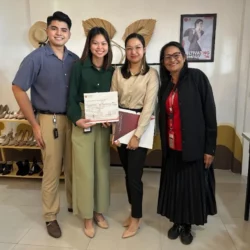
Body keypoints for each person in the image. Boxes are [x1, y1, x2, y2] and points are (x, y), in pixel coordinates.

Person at [12, 11, 78, 238]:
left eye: (64, 29)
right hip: (49, 121)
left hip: (73, 120)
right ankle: (50, 216)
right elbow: (18, 88)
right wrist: (35, 125)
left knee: (72, 166)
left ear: (69, 33)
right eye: (55, 28)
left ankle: (73, 204)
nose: (59, 33)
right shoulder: (36, 58)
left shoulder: (74, 59)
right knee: (51, 169)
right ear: (47, 31)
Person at [157, 41, 217, 245]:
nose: (172, 59)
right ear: (163, 62)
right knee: (175, 187)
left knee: (190, 188)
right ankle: (177, 222)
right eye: (167, 57)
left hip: (194, 147)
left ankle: (188, 225)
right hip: (172, 148)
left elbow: (210, 114)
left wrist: (209, 149)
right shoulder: (165, 85)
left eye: (176, 55)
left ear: (183, 57)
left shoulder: (197, 78)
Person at [67, 27, 114, 238]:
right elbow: (71, 96)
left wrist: (111, 120)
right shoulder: (78, 67)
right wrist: (77, 118)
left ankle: (98, 211)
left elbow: (115, 99)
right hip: (83, 121)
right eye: (96, 43)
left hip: (103, 125)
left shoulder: (111, 70)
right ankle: (86, 216)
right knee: (84, 170)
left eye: (103, 43)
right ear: (89, 44)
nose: (100, 47)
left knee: (102, 169)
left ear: (108, 46)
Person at [111, 33, 159, 239]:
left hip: (142, 126)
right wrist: (115, 131)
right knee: (127, 173)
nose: (133, 52)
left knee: (134, 176)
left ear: (144, 49)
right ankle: (133, 213)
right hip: (121, 124)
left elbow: (149, 107)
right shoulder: (118, 73)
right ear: (125, 50)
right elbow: (113, 101)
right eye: (129, 48)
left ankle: (136, 219)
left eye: (137, 47)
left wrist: (137, 135)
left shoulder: (152, 74)